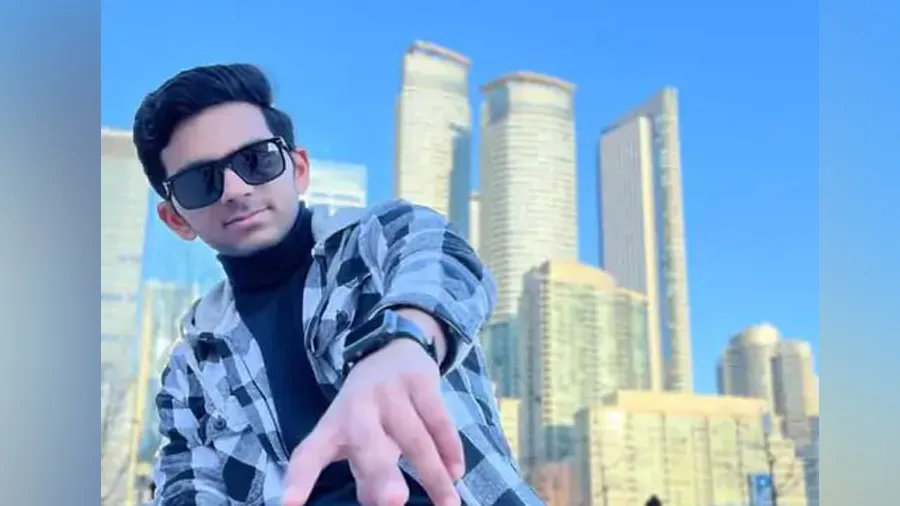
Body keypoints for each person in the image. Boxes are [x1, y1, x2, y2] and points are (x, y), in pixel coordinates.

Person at [133, 63, 542, 506]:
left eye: (255, 160)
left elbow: (445, 261)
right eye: (199, 182)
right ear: (176, 219)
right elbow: (185, 486)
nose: (234, 189)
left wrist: (405, 341)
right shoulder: (191, 369)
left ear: (299, 169)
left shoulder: (380, 239)